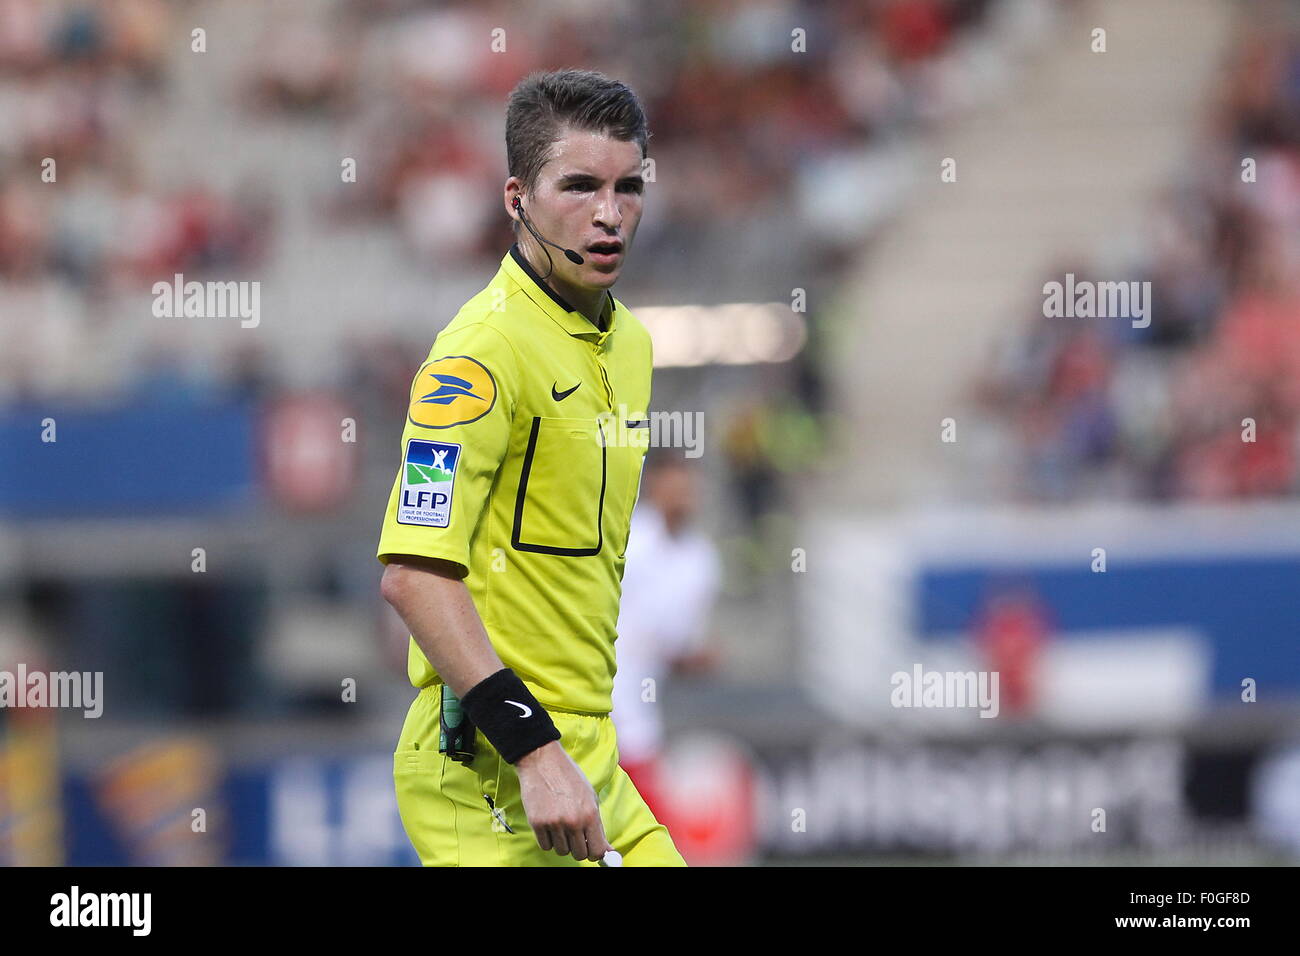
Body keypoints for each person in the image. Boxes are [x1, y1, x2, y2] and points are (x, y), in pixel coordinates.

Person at [375, 69, 684, 866]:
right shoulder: (477, 355)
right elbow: (414, 573)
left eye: (628, 187)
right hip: (490, 766)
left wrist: (570, 754)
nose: (609, 215)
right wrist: (534, 751)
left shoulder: (635, 348)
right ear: (517, 199)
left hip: (591, 757)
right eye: (579, 187)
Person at [611, 455, 721, 823]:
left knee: (644, 829)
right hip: (598, 700)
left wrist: (696, 659)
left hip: (639, 713)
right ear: (653, 488)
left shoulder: (701, 560)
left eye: (688, 489)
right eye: (673, 487)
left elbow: (675, 645)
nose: (682, 497)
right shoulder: (625, 540)